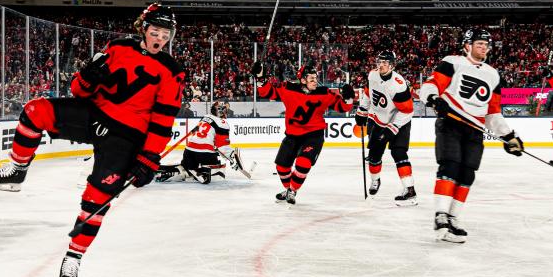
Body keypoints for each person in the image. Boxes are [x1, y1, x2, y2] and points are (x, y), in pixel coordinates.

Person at [0, 3, 184, 277]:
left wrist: (149, 156)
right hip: (94, 115)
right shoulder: (117, 47)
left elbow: (163, 120)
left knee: (97, 198)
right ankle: (16, 170)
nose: (160, 38)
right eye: (155, 31)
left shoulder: (172, 71)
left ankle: (74, 257)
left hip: (126, 137)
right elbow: (79, 90)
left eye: (165, 33)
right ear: (143, 28)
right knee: (36, 111)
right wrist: (86, 77)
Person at [418, 28, 524, 244]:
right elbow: (431, 85)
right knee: (450, 166)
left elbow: (493, 111)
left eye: (486, 45)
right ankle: (440, 217)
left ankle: (453, 218)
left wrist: (508, 136)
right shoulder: (452, 62)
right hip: (451, 122)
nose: (483, 48)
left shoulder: (493, 74)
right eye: (479, 44)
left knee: (467, 174)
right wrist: (433, 99)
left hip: (475, 129)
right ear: (467, 45)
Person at [251, 62, 354, 205]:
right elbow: (267, 92)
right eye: (311, 78)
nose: (314, 81)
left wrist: (349, 98)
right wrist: (260, 77)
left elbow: (342, 107)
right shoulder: (288, 89)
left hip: (314, 135)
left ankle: (292, 190)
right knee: (281, 167)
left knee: (303, 163)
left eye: (315, 77)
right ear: (303, 80)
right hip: (292, 135)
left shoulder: (324, 92)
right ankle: (289, 190)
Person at [355, 50, 417, 205]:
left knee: (399, 153)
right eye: (379, 62)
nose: (381, 65)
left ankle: (410, 191)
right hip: (378, 120)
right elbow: (368, 94)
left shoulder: (398, 84)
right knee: (374, 156)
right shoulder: (372, 75)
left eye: (385, 62)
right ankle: (375, 181)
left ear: (392, 65)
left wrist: (392, 128)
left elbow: (408, 110)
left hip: (400, 122)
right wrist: (362, 111)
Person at [156, 100, 244, 183]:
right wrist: (232, 158)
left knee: (185, 167)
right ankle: (200, 172)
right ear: (220, 111)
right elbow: (222, 145)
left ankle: (178, 170)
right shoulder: (222, 123)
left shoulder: (205, 117)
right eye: (224, 110)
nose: (225, 112)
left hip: (189, 151)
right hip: (204, 153)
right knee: (218, 173)